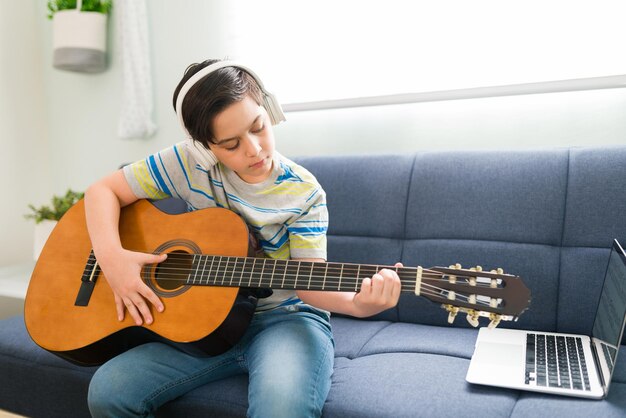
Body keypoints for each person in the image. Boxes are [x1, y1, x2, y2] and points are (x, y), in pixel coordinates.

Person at [85, 59, 402, 418]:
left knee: (280, 409)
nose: (253, 150)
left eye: (258, 128)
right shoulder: (186, 164)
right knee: (108, 391)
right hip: (203, 321)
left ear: (271, 110)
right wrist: (112, 259)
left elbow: (311, 283)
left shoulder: (304, 192)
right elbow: (101, 191)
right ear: (205, 148)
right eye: (231, 144)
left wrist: (360, 305)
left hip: (287, 320)